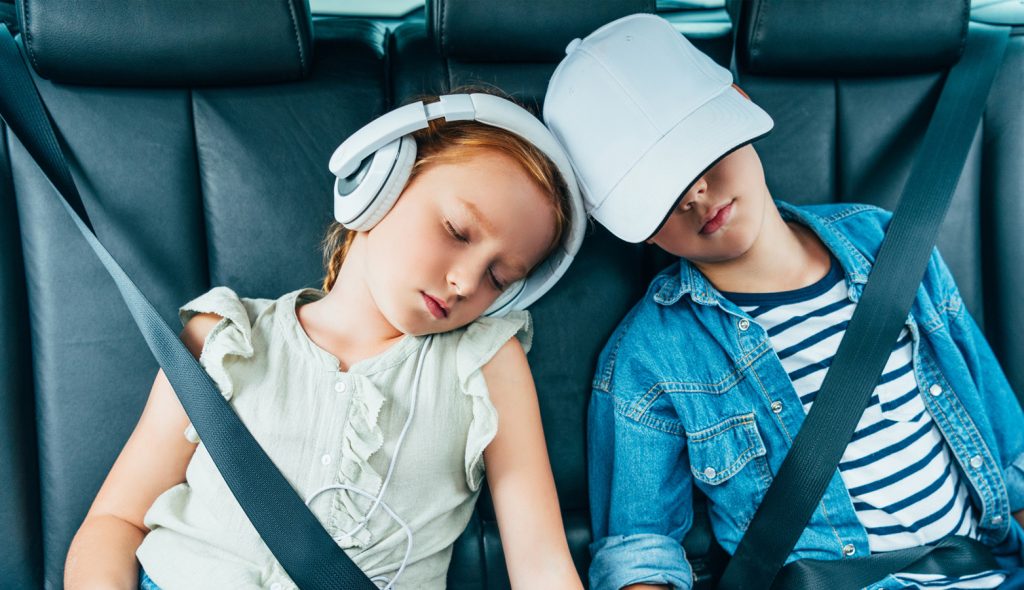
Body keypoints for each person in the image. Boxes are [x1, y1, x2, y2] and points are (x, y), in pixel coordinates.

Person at [543, 14, 1024, 590]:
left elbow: (1007, 452)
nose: (695, 193)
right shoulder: (651, 358)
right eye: (660, 191)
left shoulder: (889, 242)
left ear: (738, 109)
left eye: (700, 154)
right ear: (636, 228)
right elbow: (640, 552)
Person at [63, 90, 586, 590]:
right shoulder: (225, 339)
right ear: (380, 181)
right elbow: (116, 519)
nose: (468, 282)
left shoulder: (486, 366)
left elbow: (541, 567)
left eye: (499, 278)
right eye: (456, 230)